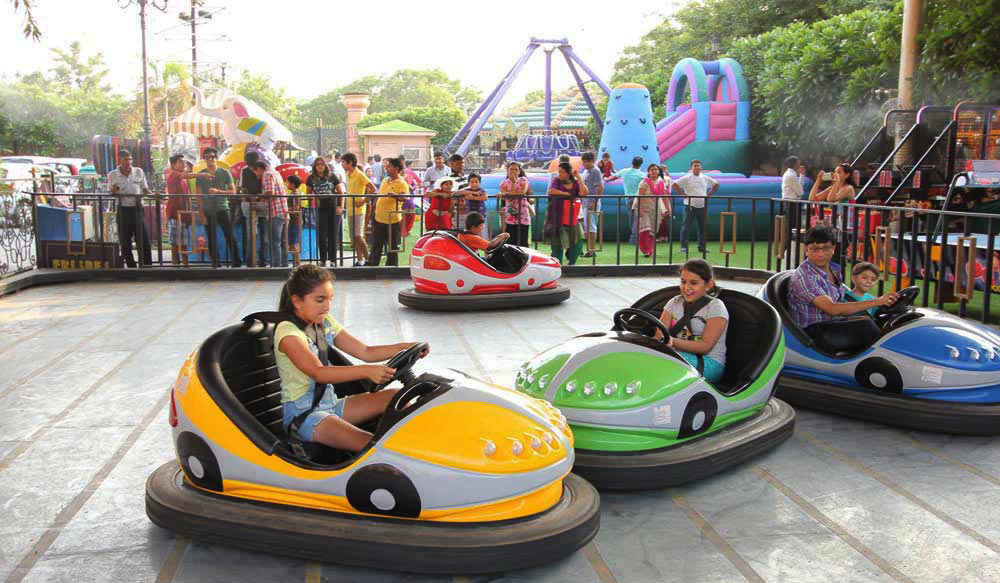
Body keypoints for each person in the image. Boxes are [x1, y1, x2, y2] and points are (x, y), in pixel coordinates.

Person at [274, 264, 429, 451]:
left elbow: (365, 351)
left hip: (330, 404)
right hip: (305, 414)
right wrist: (367, 372)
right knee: (371, 445)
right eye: (320, 300)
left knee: (397, 397)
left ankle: (419, 448)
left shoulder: (323, 323)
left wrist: (405, 347)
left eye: (329, 300)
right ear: (297, 301)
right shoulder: (288, 332)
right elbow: (319, 373)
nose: (327, 307)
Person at [788, 226, 897, 348]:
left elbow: (844, 295)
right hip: (813, 331)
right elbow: (832, 308)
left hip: (833, 322)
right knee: (866, 326)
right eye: (814, 249)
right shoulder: (804, 277)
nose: (820, 254)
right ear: (806, 250)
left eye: (825, 248)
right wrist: (877, 301)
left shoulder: (834, 269)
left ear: (833, 248)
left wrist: (880, 302)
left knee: (877, 319)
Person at [654, 259, 728, 383]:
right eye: (683, 282)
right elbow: (660, 332)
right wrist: (661, 339)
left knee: (659, 364)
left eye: (693, 283)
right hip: (676, 354)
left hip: (708, 362)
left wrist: (672, 342)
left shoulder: (715, 307)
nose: (686, 287)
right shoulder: (674, 302)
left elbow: (705, 347)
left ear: (709, 284)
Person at [106, 149, 152, 267]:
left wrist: (153, 194)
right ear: (120, 160)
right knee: (125, 240)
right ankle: (131, 266)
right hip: (123, 209)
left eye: (130, 159)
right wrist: (114, 190)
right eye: (125, 159)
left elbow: (145, 188)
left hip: (137, 208)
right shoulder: (113, 174)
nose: (128, 162)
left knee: (143, 238)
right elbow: (110, 192)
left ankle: (147, 266)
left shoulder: (138, 171)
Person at [195, 147, 239, 268]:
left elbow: (233, 191)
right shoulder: (201, 174)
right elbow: (197, 195)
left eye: (213, 157)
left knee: (229, 235)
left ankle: (236, 261)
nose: (210, 159)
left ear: (216, 158)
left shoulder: (225, 172)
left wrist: (218, 191)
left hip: (222, 208)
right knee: (211, 237)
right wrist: (201, 214)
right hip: (207, 209)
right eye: (207, 157)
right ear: (204, 159)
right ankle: (215, 262)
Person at [165, 154, 207, 266]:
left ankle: (185, 265)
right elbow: (186, 175)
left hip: (184, 214)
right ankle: (176, 265)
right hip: (174, 213)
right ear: (174, 164)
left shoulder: (183, 178)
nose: (183, 164)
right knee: (175, 243)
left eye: (183, 162)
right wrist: (201, 175)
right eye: (180, 162)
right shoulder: (174, 174)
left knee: (183, 243)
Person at [368, 157, 408, 266]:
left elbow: (405, 198)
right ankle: (372, 266)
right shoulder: (385, 180)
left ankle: (391, 268)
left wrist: (396, 196)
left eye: (389, 166)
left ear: (396, 168)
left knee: (392, 246)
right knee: (376, 245)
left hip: (392, 220)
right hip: (378, 218)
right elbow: (379, 196)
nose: (386, 168)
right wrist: (373, 210)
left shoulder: (402, 183)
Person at [672, 159, 719, 255]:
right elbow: (674, 184)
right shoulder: (687, 177)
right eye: (695, 166)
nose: (697, 167)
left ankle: (702, 247)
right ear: (691, 168)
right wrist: (682, 194)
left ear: (701, 167)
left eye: (698, 166)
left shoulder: (705, 177)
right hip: (690, 206)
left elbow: (716, 184)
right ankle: (684, 247)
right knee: (686, 227)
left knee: (703, 227)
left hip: (702, 205)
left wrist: (709, 194)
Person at [546, 161, 588, 265]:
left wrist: (579, 177)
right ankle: (557, 265)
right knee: (557, 245)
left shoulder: (575, 183)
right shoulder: (556, 180)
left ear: (568, 173)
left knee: (578, 241)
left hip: (572, 218)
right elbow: (552, 191)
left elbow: (584, 192)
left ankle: (572, 263)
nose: (559, 174)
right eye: (559, 172)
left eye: (561, 172)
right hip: (557, 217)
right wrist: (567, 194)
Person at [307, 157, 344, 267]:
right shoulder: (311, 178)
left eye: (322, 164)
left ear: (325, 165)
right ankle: (323, 259)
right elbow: (308, 193)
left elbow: (340, 192)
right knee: (321, 235)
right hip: (320, 208)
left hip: (332, 207)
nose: (320, 166)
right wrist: (313, 200)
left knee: (332, 234)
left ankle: (333, 259)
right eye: (318, 164)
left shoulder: (332, 176)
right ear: (314, 166)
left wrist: (339, 206)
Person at [252, 159, 289, 268]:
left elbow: (270, 192)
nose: (256, 175)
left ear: (259, 169)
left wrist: (258, 197)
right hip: (283, 210)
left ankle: (276, 266)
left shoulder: (267, 175)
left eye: (255, 172)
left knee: (274, 241)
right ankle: (284, 264)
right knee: (282, 241)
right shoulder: (275, 173)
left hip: (275, 211)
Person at [340, 153, 374, 266]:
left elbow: (372, 188)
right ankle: (360, 260)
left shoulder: (359, 174)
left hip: (359, 210)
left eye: (343, 162)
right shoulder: (347, 174)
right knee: (354, 237)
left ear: (350, 163)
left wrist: (364, 200)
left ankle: (369, 258)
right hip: (350, 209)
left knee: (358, 235)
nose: (342, 164)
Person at [635, 164, 670, 257]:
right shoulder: (644, 182)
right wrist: (640, 209)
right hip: (644, 208)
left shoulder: (661, 182)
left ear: (658, 172)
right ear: (648, 172)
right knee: (645, 229)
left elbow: (665, 196)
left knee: (653, 231)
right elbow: (639, 196)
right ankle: (645, 249)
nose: (654, 171)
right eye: (652, 169)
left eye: (656, 169)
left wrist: (668, 209)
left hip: (656, 209)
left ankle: (650, 249)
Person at [237, 150, 264, 267]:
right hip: (251, 202)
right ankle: (252, 260)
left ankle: (258, 260)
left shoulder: (262, 169)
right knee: (253, 233)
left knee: (257, 233)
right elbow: (243, 188)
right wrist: (246, 199)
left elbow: (243, 188)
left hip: (258, 201)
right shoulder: (245, 170)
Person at [613, 156, 646, 245]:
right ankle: (636, 238)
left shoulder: (624, 171)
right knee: (638, 219)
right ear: (640, 164)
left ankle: (634, 238)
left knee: (632, 219)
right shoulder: (642, 175)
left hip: (628, 198)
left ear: (632, 162)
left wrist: (605, 179)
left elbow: (612, 177)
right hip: (638, 198)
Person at [501, 161, 532, 247]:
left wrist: (513, 186)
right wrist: (510, 194)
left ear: (519, 171)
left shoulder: (524, 180)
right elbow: (505, 195)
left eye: (516, 169)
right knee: (510, 244)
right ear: (507, 171)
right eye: (511, 169)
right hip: (510, 218)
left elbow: (522, 193)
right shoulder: (503, 183)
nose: (513, 171)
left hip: (523, 218)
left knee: (523, 244)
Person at [580, 152, 604, 258]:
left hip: (591, 202)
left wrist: (594, 202)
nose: (584, 164)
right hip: (585, 202)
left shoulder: (595, 171)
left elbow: (599, 187)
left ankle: (592, 250)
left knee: (591, 227)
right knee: (587, 227)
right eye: (584, 161)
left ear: (591, 161)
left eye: (586, 162)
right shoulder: (586, 171)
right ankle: (589, 249)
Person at [286, 175, 306, 267]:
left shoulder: (294, 194)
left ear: (293, 184)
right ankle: (296, 263)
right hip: (295, 220)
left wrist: (286, 208)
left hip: (294, 220)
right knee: (294, 243)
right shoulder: (295, 193)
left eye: (288, 182)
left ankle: (297, 263)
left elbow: (295, 208)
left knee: (293, 243)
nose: (286, 184)